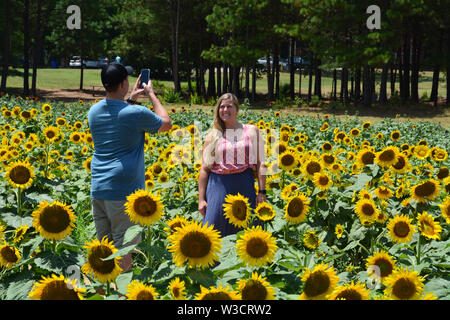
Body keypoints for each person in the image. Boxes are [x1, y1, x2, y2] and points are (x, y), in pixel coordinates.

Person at [88, 62, 171, 271]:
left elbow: (117, 115)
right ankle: (123, 292)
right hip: (123, 190)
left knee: (104, 248)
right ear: (124, 82)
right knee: (123, 249)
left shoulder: (94, 111)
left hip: (99, 186)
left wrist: (129, 98)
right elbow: (166, 123)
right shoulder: (135, 113)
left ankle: (106, 290)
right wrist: (151, 94)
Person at [198, 93, 267, 236]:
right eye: (221, 107)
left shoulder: (252, 131)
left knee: (248, 231)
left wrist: (262, 192)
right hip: (219, 186)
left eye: (229, 106)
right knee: (213, 230)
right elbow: (204, 169)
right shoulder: (213, 135)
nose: (225, 109)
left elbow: (261, 163)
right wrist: (201, 199)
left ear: (237, 109)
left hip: (245, 184)